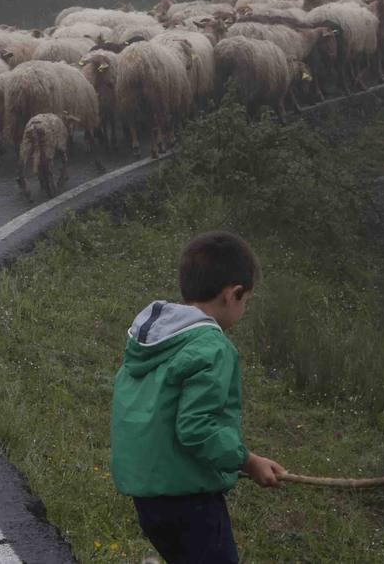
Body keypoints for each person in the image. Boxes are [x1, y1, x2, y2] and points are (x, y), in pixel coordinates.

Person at [110, 230, 286, 564]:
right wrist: (248, 461)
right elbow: (196, 427)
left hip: (147, 498)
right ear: (233, 294)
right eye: (246, 300)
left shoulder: (152, 339)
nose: (244, 308)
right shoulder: (212, 348)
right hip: (189, 499)